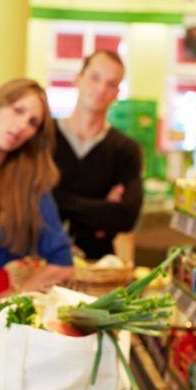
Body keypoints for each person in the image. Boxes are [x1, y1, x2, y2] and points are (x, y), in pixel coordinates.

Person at [0, 78, 73, 303]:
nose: (21, 126)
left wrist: (7, 300)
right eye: (17, 110)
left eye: (32, 123)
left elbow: (62, 264)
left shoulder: (30, 183)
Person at [53, 50, 143, 260]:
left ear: (117, 93)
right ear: (78, 79)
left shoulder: (126, 149)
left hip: (98, 265)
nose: (101, 88)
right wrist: (102, 209)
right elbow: (34, 201)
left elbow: (127, 217)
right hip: (39, 261)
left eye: (111, 83)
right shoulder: (45, 137)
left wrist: (59, 200)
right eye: (95, 77)